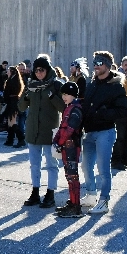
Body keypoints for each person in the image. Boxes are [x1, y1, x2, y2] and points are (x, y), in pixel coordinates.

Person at [80, 51, 127, 214]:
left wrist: (103, 113)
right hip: (89, 132)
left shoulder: (116, 86)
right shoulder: (91, 83)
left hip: (105, 132)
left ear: (107, 66)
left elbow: (123, 111)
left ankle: (104, 201)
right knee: (86, 166)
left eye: (99, 63)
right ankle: (91, 195)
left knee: (103, 169)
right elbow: (85, 106)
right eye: (94, 62)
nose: (95, 65)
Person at [18, 56, 65, 207]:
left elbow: (64, 108)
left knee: (51, 165)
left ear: (48, 70)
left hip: (50, 131)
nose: (39, 73)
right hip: (33, 131)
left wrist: (52, 96)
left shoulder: (56, 84)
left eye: (42, 70)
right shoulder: (31, 85)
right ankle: (35, 192)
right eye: (36, 70)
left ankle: (50, 193)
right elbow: (21, 107)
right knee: (34, 165)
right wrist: (26, 97)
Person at [53, 82, 85, 218]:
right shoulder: (68, 108)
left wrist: (59, 142)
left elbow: (69, 130)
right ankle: (72, 202)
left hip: (72, 147)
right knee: (69, 176)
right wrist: (56, 140)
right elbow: (62, 127)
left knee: (73, 176)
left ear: (73, 95)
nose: (64, 97)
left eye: (66, 94)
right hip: (66, 147)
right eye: (63, 94)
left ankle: (76, 206)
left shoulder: (76, 110)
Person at [2, 66, 25, 147]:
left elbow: (7, 92)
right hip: (13, 102)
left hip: (12, 103)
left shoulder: (11, 81)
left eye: (8, 71)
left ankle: (21, 139)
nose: (7, 72)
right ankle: (10, 140)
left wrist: (4, 99)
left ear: (12, 72)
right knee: (10, 122)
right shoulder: (15, 80)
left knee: (12, 122)